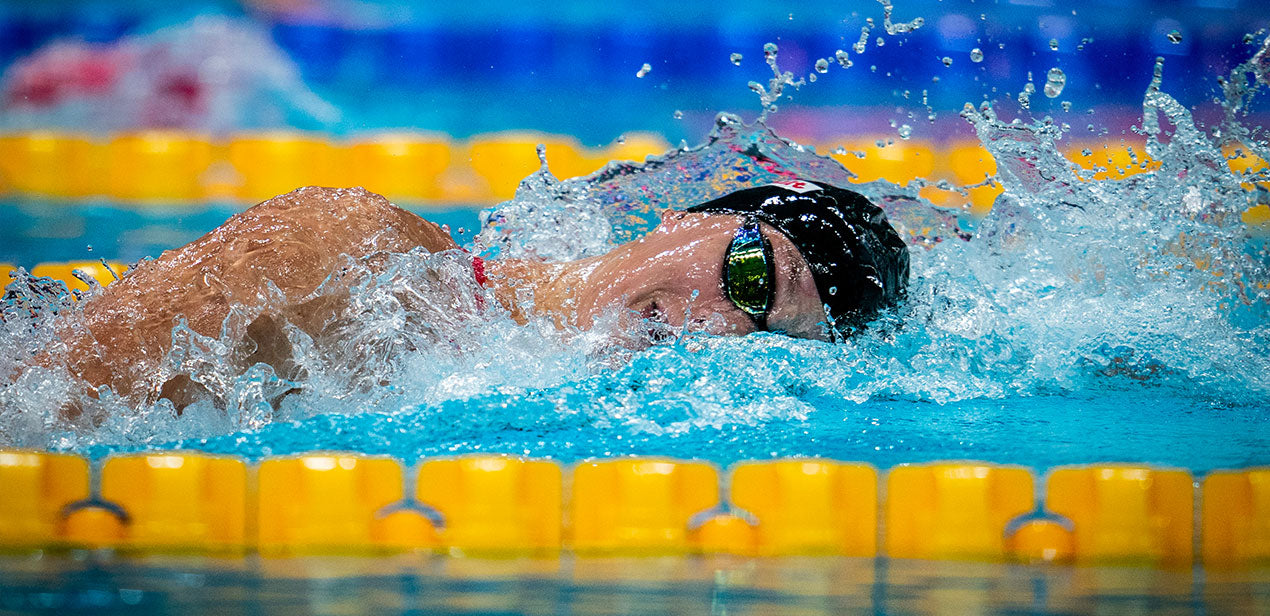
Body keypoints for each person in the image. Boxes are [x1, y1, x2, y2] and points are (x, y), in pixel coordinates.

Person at [56, 179, 909, 410]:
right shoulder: (363, 255)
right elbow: (56, 391)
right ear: (693, 218)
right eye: (753, 276)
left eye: (761, 338)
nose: (715, 328)